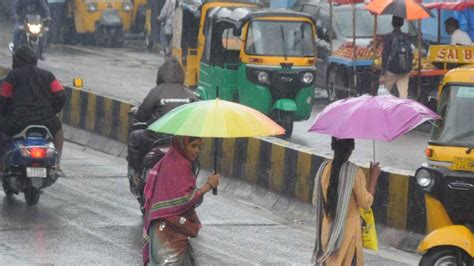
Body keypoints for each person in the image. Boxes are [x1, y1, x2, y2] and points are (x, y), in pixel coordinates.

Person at [142, 135, 220, 265]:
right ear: (182, 145)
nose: (197, 151)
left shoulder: (173, 159)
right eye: (193, 146)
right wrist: (208, 186)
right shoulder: (179, 165)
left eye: (199, 147)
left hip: (167, 227)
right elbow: (184, 199)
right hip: (168, 230)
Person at [127, 57, 199, 183]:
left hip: (157, 138)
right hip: (181, 140)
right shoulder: (190, 95)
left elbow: (142, 115)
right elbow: (197, 119)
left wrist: (135, 112)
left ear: (161, 75)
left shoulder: (156, 92)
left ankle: (136, 174)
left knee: (134, 137)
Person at [312, 137, 380, 266]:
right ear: (351, 149)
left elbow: (316, 200)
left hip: (327, 232)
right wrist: (373, 177)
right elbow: (366, 203)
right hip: (348, 237)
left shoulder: (323, 169)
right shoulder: (355, 173)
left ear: (333, 146)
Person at [0, 45, 65, 173]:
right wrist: (53, 110)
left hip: (18, 120)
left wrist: (7, 113)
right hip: (46, 120)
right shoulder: (48, 75)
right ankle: (56, 164)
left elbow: (4, 98)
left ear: (15, 61)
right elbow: (61, 95)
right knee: (59, 129)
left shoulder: (12, 76)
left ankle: (1, 165)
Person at [380, 16, 413, 99]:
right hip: (405, 70)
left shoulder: (388, 37)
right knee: (403, 96)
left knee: (385, 95)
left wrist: (383, 74)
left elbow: (385, 55)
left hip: (392, 70)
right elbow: (410, 53)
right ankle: (403, 110)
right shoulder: (407, 36)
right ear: (402, 23)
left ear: (392, 23)